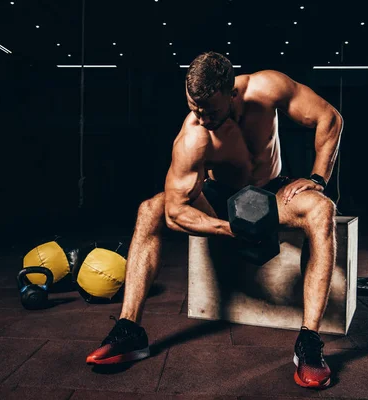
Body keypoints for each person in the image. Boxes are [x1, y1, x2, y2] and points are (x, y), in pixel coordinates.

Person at [86, 51, 343, 389]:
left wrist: (318, 178)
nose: (203, 118)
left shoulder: (267, 88)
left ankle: (308, 342)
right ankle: (130, 329)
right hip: (219, 199)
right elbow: (176, 211)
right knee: (150, 210)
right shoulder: (193, 135)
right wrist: (231, 229)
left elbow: (329, 118)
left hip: (273, 194)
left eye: (211, 111)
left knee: (323, 209)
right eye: (194, 109)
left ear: (232, 93)